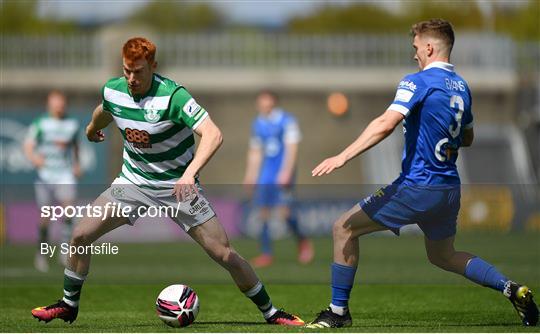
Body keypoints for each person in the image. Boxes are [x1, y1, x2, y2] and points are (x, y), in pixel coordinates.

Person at [31, 37, 304, 326]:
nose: (132, 79)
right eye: (127, 71)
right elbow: (105, 110)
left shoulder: (174, 97)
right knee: (80, 235)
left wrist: (189, 174)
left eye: (138, 71)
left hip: (178, 186)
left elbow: (213, 134)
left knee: (223, 253)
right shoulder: (114, 90)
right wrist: (90, 128)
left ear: (153, 66)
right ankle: (68, 305)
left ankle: (271, 313)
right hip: (132, 183)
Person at [307, 19, 538, 328]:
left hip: (418, 185)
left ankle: (337, 313)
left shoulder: (417, 82)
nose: (414, 54)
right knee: (443, 255)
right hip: (448, 188)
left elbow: (385, 123)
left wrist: (343, 156)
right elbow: (467, 138)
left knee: (343, 228)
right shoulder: (462, 87)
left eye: (416, 47)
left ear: (429, 47)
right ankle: (511, 288)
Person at [243, 90, 314, 268]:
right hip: (266, 174)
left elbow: (292, 148)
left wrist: (286, 172)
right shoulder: (257, 123)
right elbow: (256, 152)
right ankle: (266, 254)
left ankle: (303, 241)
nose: (263, 106)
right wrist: (250, 175)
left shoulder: (287, 121)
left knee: (285, 213)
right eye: (261, 103)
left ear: (274, 103)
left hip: (282, 171)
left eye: (266, 102)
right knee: (263, 212)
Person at [23, 90, 81, 272]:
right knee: (45, 219)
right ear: (49, 104)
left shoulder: (72, 124)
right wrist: (34, 158)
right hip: (45, 175)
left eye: (62, 102)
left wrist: (77, 164)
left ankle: (64, 252)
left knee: (69, 211)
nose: (59, 106)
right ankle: (41, 254)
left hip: (64, 174)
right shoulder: (41, 123)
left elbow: (75, 145)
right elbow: (28, 145)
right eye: (56, 102)